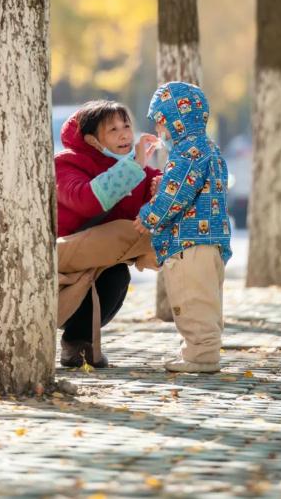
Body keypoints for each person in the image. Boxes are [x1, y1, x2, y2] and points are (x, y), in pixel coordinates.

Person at [134, 81, 232, 374]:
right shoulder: (208, 149)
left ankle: (201, 356)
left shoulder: (188, 152)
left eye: (162, 123)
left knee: (191, 299)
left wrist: (149, 215)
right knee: (206, 300)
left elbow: (176, 196)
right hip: (209, 240)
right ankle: (199, 351)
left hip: (190, 242)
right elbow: (197, 191)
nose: (161, 131)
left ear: (176, 119)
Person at [55, 100, 160, 368]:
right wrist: (135, 164)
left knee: (117, 275)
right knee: (125, 231)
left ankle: (77, 344)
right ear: (92, 141)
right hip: (63, 255)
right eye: (113, 130)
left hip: (101, 262)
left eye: (126, 125)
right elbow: (87, 199)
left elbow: (157, 184)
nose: (125, 134)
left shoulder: (138, 170)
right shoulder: (65, 164)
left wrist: (161, 186)